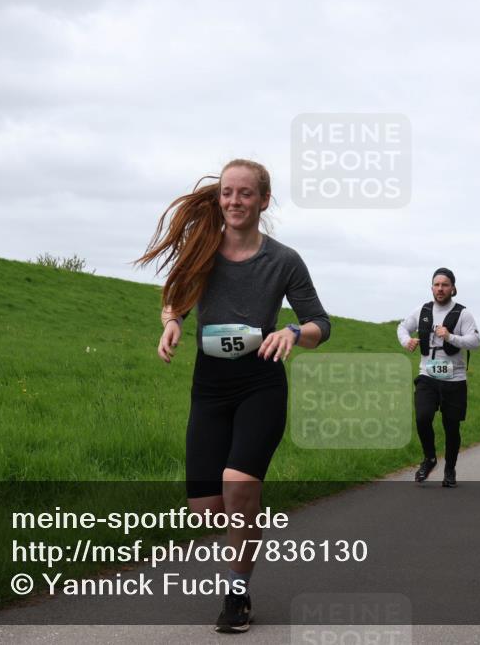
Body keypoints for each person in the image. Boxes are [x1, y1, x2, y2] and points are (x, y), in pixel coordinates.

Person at [136, 159, 332, 633]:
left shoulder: (283, 260)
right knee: (205, 508)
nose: (234, 201)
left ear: (263, 201)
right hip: (209, 385)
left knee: (238, 487)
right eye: (228, 192)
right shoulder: (201, 247)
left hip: (261, 382)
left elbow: (320, 325)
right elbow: (175, 296)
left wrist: (290, 331)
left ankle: (237, 595)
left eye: (246, 193)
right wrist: (172, 323)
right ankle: (247, 527)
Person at [397, 268, 480, 488]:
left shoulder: (463, 314)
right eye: (436, 284)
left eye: (445, 285)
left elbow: (475, 342)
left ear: (453, 288)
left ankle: (450, 469)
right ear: (432, 287)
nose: (440, 288)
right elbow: (402, 327)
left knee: (451, 427)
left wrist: (450, 337)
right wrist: (406, 341)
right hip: (427, 375)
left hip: (454, 379)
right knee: (422, 417)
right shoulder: (423, 310)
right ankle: (430, 458)